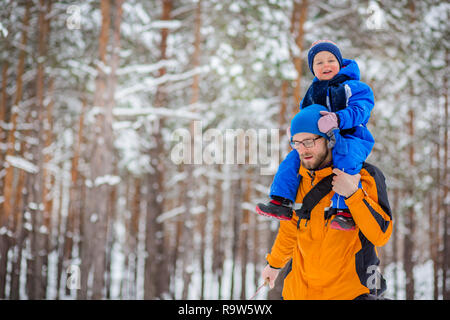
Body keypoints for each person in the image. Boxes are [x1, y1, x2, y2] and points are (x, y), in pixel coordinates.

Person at [260, 104, 393, 300]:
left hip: (348, 294)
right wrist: (274, 265)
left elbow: (380, 235)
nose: (302, 149)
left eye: (309, 141)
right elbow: (290, 229)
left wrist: (352, 194)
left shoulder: (364, 176)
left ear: (329, 139)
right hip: (298, 294)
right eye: (296, 143)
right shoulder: (296, 179)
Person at [256, 40, 375, 231]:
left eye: (330, 60)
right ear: (313, 69)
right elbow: (306, 114)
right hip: (321, 139)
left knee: (346, 159)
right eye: (318, 63)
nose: (325, 65)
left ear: (340, 62)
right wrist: (296, 131)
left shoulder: (354, 87)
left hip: (352, 135)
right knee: (293, 158)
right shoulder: (312, 91)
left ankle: (343, 210)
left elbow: (361, 110)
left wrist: (338, 118)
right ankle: (281, 201)